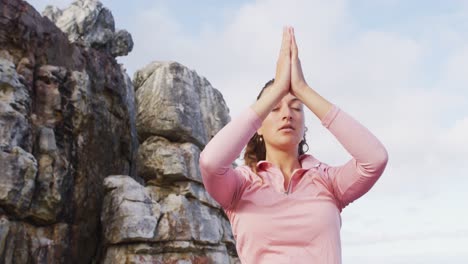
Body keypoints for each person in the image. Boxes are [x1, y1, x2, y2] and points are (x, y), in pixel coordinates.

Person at [199, 26, 388, 264]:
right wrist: (278, 88)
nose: (287, 114)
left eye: (296, 108)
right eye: (275, 108)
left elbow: (375, 158)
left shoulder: (328, 181)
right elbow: (210, 162)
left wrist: (303, 89)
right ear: (257, 126)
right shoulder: (240, 185)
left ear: (304, 126)